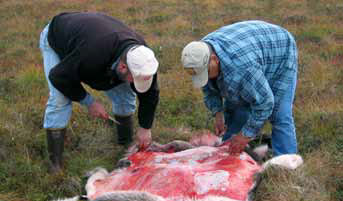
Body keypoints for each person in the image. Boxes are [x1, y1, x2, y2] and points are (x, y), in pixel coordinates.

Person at [39, 12, 159, 173]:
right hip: (58, 37)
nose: (136, 83)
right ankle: (55, 164)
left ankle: (125, 145)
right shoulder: (91, 54)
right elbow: (59, 76)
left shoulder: (144, 59)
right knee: (60, 99)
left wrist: (145, 127)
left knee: (125, 94)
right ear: (123, 67)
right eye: (134, 78)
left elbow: (150, 94)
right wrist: (89, 102)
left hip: (98, 41)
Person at [181, 20, 298, 156]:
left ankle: (286, 164)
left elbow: (265, 103)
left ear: (214, 59)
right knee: (237, 103)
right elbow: (208, 87)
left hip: (280, 51)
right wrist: (218, 113)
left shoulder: (243, 68)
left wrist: (245, 136)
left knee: (279, 115)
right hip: (250, 51)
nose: (204, 77)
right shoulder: (199, 53)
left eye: (205, 72)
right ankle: (231, 147)